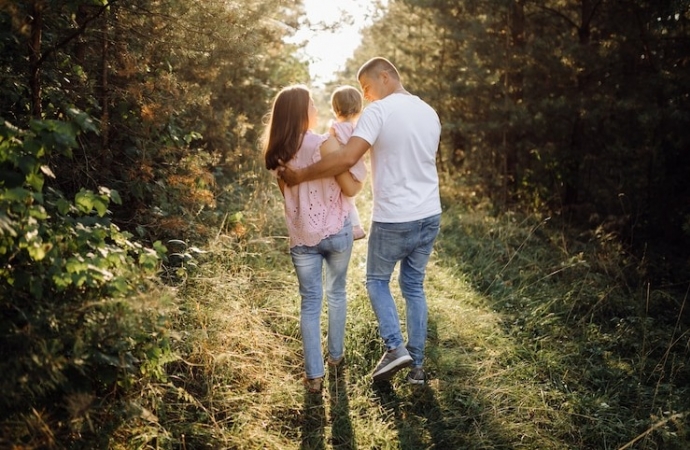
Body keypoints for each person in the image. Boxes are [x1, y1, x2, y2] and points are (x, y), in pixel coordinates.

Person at [279, 57, 442, 385]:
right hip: (430, 213)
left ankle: (395, 347)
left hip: (395, 217)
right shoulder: (429, 111)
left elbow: (347, 158)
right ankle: (418, 369)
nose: (365, 96)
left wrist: (300, 176)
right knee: (413, 286)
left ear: (385, 76)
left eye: (367, 87)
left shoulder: (379, 111)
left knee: (376, 282)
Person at [262, 84, 365, 393]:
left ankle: (314, 376)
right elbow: (350, 189)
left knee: (310, 304)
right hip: (336, 230)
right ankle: (335, 356)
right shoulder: (324, 144)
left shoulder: (276, 154)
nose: (317, 110)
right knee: (336, 293)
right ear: (300, 112)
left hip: (302, 237)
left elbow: (289, 197)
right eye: (312, 105)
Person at [328, 85, 367, 240]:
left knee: (345, 199)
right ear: (359, 108)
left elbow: (326, 145)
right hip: (359, 169)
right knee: (349, 199)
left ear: (335, 108)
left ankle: (355, 228)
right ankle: (351, 225)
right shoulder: (360, 127)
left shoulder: (335, 128)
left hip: (346, 168)